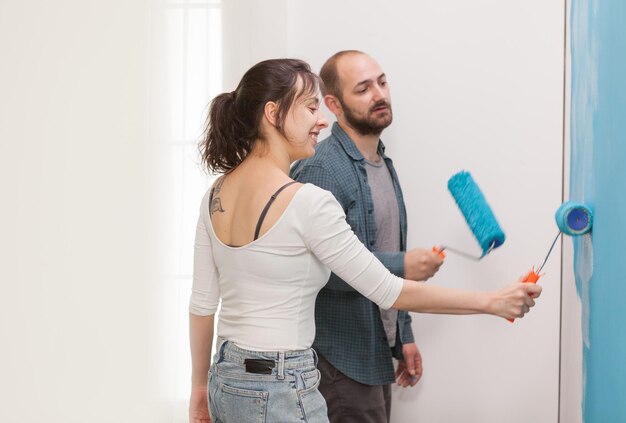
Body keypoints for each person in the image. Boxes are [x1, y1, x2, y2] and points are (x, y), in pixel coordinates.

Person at [188, 58, 541, 423]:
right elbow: (389, 290)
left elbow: (202, 304)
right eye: (311, 107)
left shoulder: (216, 194)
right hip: (281, 387)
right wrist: (493, 301)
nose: (321, 120)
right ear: (273, 113)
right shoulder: (308, 201)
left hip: (226, 381)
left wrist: (199, 389)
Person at [290, 50, 440, 422]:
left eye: (382, 82)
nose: (379, 94)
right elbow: (326, 267)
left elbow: (387, 252)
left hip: (374, 352)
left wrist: (402, 334)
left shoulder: (382, 165)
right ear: (333, 104)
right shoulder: (320, 169)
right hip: (339, 361)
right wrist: (403, 263)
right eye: (363, 88)